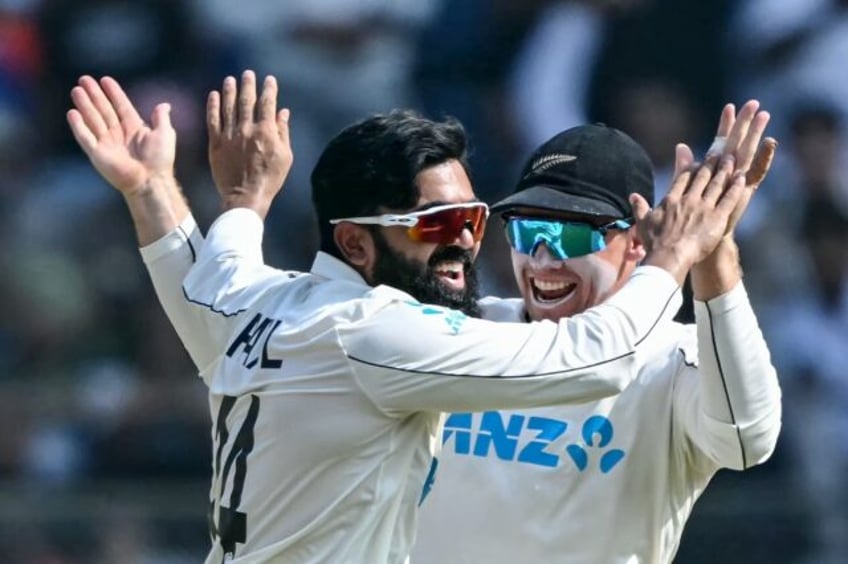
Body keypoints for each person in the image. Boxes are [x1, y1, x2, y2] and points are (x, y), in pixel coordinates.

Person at [67, 71, 751, 563]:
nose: (464, 242)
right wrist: (674, 252)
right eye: (437, 224)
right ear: (356, 243)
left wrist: (163, 189)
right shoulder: (379, 333)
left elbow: (203, 286)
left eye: (473, 218)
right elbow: (591, 357)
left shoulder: (261, 302)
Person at [412, 112, 782, 563]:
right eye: (527, 232)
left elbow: (747, 439)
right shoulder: (466, 332)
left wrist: (712, 247)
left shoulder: (670, 358)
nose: (544, 259)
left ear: (639, 243)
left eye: (571, 234)